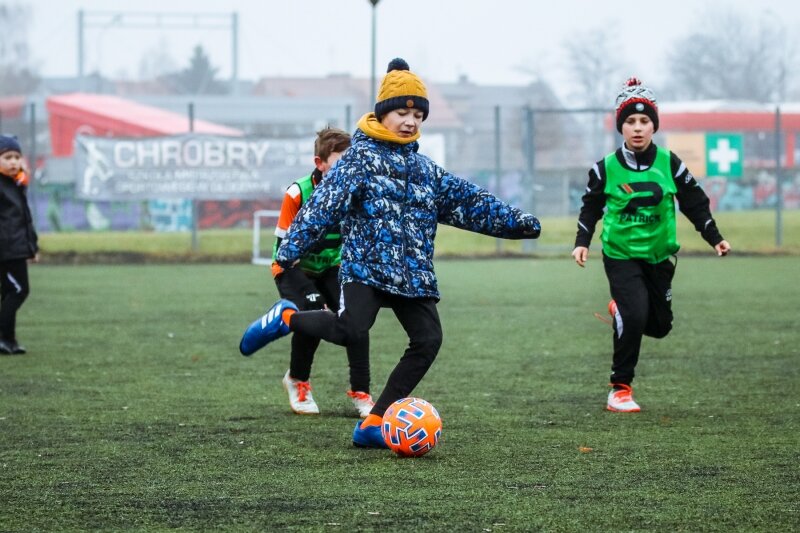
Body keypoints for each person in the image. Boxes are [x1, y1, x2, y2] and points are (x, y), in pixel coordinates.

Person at [239, 57, 541, 448]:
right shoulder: (358, 160)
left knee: (428, 340)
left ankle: (374, 422)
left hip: (413, 273)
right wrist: (291, 249)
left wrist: (518, 223)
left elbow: (470, 201)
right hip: (365, 268)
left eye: (418, 115)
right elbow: (323, 205)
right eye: (402, 112)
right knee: (351, 331)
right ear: (382, 114)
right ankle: (287, 318)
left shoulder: (426, 170)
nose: (410, 121)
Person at [571, 77, 731, 413]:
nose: (637, 127)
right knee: (635, 314)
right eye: (630, 121)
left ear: (654, 125)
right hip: (621, 255)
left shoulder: (670, 164)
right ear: (621, 126)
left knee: (659, 327)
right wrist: (582, 242)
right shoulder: (605, 169)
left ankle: (620, 311)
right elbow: (590, 207)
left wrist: (714, 237)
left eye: (644, 121)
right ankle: (620, 389)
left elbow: (695, 202)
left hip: (659, 257)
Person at [240, 127, 374, 418]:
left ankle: (361, 392)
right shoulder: (297, 193)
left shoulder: (357, 190)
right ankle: (298, 380)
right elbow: (284, 251)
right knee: (313, 309)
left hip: (332, 266)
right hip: (292, 267)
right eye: (340, 161)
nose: (348, 168)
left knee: (357, 321)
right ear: (320, 163)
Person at [0, 135, 39, 355]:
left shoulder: (16, 184)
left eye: (16, 157)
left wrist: (32, 247)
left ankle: (8, 340)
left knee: (10, 292)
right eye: (7, 157)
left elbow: (24, 219)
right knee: (19, 290)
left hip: (16, 248)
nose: (13, 161)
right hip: (6, 250)